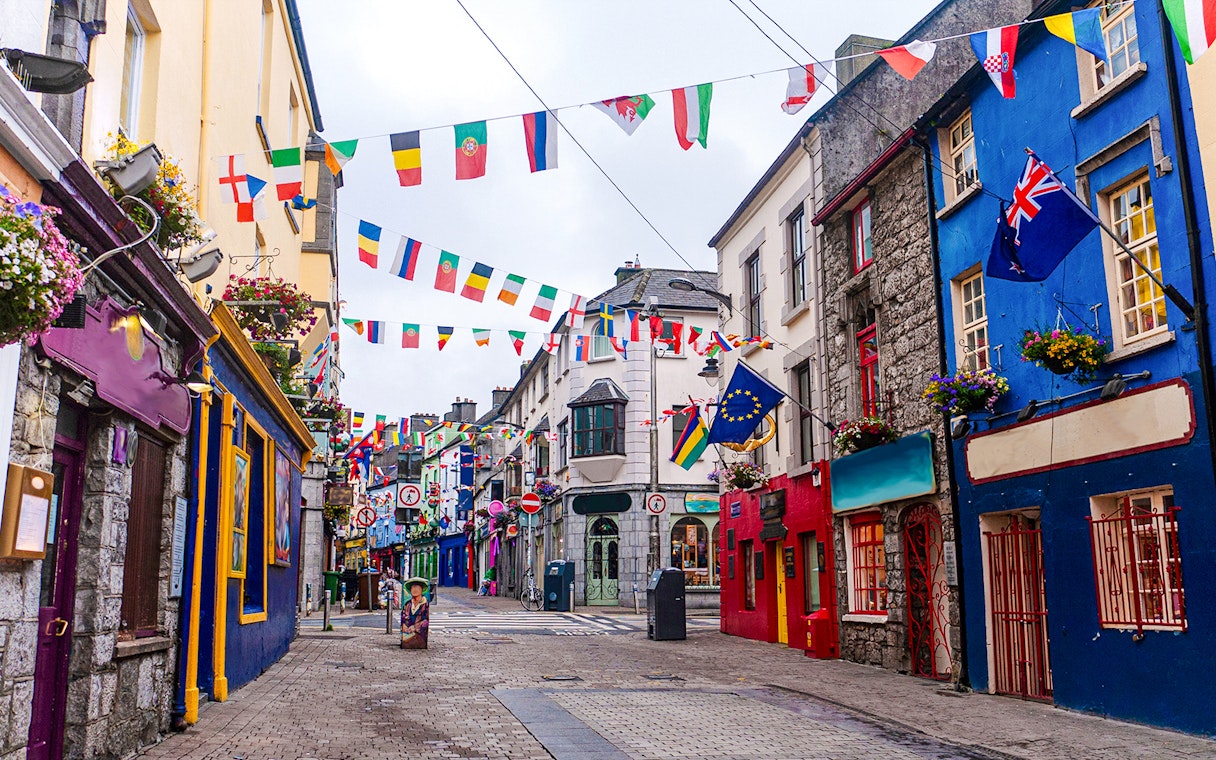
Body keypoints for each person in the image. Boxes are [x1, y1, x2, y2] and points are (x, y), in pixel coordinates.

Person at [401, 577, 430, 649]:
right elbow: (404, 616)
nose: (415, 590)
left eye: (417, 587)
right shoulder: (407, 604)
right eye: (413, 587)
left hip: (420, 636)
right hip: (407, 634)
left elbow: (426, 621)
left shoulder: (425, 604)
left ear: (422, 589)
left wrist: (415, 627)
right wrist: (404, 625)